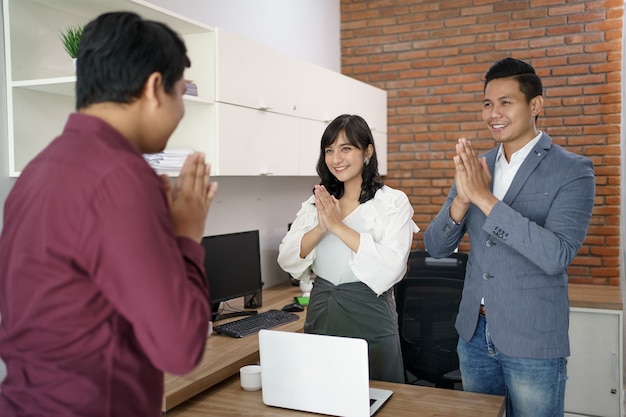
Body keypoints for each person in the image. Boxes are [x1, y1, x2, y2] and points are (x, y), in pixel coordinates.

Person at [0, 12, 218, 417]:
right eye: (180, 94)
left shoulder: (35, 172)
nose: (181, 111)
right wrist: (187, 234)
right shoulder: (123, 176)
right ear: (154, 88)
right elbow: (181, 348)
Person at [424, 57, 595, 416]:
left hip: (532, 336)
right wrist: (462, 201)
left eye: (506, 102)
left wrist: (485, 198)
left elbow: (556, 255)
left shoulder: (572, 170)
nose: (493, 113)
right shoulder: (477, 165)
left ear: (535, 105)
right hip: (473, 333)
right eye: (487, 103)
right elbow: (436, 246)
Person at [277, 114, 419, 383]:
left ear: (367, 151)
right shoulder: (317, 202)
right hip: (322, 311)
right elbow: (287, 257)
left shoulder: (392, 202)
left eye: (346, 148)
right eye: (329, 150)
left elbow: (392, 267)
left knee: (380, 398)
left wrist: (337, 225)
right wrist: (321, 226)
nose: (336, 158)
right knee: (322, 394)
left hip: (370, 315)